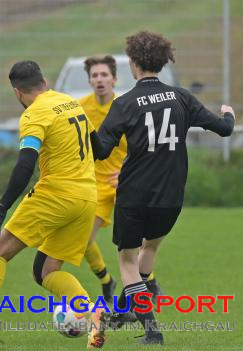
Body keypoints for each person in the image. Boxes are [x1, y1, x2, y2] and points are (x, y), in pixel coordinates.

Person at [0, 60, 106, 349]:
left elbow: (26, 164)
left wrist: (1, 208)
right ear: (44, 81)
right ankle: (92, 314)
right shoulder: (71, 103)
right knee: (47, 272)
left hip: (56, 195)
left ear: (17, 92)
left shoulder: (34, 114)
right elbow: (98, 149)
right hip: (87, 198)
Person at [90, 30, 235, 345]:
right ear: (162, 62)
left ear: (133, 63)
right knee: (150, 249)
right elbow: (224, 129)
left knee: (127, 261)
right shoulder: (181, 97)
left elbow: (100, 150)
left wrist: (84, 130)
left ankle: (151, 330)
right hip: (171, 195)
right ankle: (132, 306)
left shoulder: (125, 103)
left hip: (134, 194)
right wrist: (229, 113)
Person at [78, 54, 163, 304]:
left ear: (114, 79)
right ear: (90, 81)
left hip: (126, 182)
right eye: (95, 75)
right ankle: (107, 281)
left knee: (137, 241)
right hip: (95, 186)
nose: (99, 79)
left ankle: (150, 281)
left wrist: (126, 171)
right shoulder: (80, 108)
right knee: (83, 241)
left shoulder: (127, 105)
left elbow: (144, 145)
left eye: (104, 74)